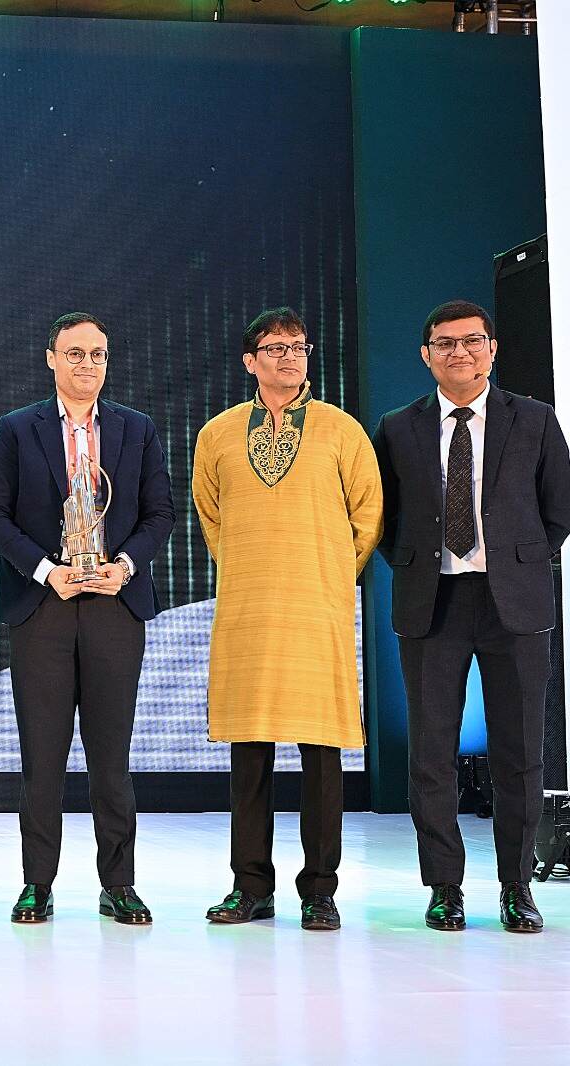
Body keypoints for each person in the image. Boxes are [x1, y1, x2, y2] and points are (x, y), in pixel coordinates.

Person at [373, 299, 570, 934]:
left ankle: (517, 886)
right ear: (425, 354)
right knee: (431, 753)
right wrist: (414, 563)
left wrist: (519, 560)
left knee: (519, 752)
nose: (459, 352)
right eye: (445, 343)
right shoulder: (397, 427)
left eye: (471, 341)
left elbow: (559, 508)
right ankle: (444, 887)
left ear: (492, 349)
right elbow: (383, 517)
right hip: (433, 602)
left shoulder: (535, 419)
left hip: (514, 601)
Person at [0, 312, 173, 926]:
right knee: (43, 759)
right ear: (51, 359)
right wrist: (45, 570)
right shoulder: (17, 429)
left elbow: (160, 513)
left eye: (97, 354)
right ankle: (38, 884)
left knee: (112, 759)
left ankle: (119, 884)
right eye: (75, 353)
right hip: (44, 607)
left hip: (115, 605)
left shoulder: (137, 429)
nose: (87, 363)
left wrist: (124, 566)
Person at [193, 307, 382, 932]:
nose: (290, 357)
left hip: (316, 607)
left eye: (298, 347)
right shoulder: (218, 434)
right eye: (275, 348)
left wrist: (326, 573)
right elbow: (212, 517)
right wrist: (249, 568)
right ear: (250, 361)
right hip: (248, 608)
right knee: (250, 753)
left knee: (321, 754)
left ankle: (319, 889)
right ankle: (250, 887)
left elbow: (367, 516)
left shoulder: (341, 430)